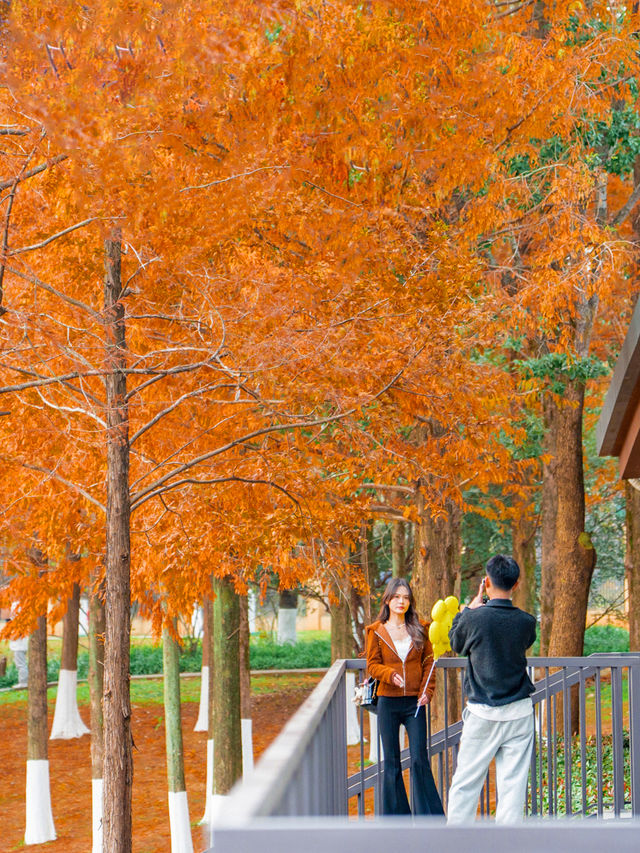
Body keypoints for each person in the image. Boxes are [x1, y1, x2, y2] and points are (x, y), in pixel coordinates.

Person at [446, 554, 536, 824]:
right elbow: (526, 642)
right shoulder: (527, 622)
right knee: (513, 788)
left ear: (486, 582)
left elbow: (456, 643)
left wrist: (468, 611)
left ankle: (455, 843)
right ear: (516, 584)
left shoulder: (475, 619)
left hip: (483, 713)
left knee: (465, 785)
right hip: (519, 712)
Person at [365, 577, 444, 816]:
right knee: (391, 763)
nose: (402, 601)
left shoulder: (421, 628)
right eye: (397, 597)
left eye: (406, 597)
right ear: (388, 600)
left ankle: (429, 819)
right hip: (387, 703)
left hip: (414, 705)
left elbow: (429, 663)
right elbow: (372, 665)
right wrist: (389, 674)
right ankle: (395, 821)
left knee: (420, 758)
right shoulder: (376, 631)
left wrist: (426, 693)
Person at [9, 601, 28, 688]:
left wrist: (13, 636)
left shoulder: (20, 622)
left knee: (21, 664)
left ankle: (23, 683)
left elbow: (19, 632)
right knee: (21, 663)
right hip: (20, 644)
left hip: (20, 645)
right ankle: (24, 682)